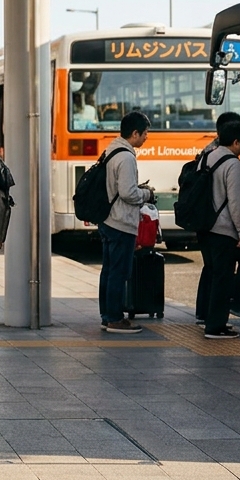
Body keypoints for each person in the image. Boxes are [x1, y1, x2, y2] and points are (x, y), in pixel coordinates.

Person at [193, 112, 240, 324]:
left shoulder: (206, 155)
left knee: (211, 270)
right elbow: (235, 201)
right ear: (235, 139)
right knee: (234, 268)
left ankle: (204, 315)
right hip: (223, 228)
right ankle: (219, 321)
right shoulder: (232, 163)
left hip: (204, 223)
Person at [98, 111, 156, 334]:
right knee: (119, 273)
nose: (146, 137)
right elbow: (128, 193)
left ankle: (107, 315)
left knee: (109, 271)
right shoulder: (126, 157)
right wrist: (146, 194)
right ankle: (114, 318)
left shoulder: (112, 150)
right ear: (135, 133)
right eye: (145, 133)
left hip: (108, 220)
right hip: (121, 221)